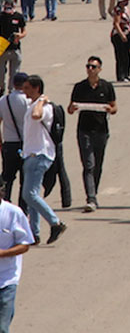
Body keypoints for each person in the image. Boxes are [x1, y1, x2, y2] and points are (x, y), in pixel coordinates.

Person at [67, 55, 117, 212]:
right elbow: (70, 109)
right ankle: (91, 198)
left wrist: (110, 109)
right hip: (84, 130)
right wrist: (73, 108)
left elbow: (114, 107)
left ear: (99, 69)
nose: (90, 69)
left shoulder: (106, 86)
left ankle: (93, 191)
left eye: (93, 67)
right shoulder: (80, 87)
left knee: (98, 165)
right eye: (88, 66)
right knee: (89, 165)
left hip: (101, 131)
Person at [20, 75, 66, 244]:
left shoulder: (44, 107)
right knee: (32, 196)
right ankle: (34, 233)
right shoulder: (32, 104)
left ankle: (55, 223)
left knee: (29, 194)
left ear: (36, 88)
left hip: (39, 155)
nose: (24, 91)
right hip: (30, 154)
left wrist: (41, 101)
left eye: (27, 88)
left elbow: (36, 115)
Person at [0, 176, 33, 329]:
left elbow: (25, 244)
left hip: (6, 279)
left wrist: (2, 253)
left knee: (2, 327)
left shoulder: (13, 213)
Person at [0, 75, 28, 205]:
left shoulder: (3, 100)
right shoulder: (28, 101)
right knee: (25, 179)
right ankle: (23, 208)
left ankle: (5, 203)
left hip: (9, 144)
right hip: (26, 144)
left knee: (7, 178)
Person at [109, 0, 130, 82]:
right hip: (118, 36)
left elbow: (129, 20)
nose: (127, 2)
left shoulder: (126, 9)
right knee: (120, 56)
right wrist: (122, 34)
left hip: (128, 34)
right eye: (125, 0)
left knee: (127, 55)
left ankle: (127, 74)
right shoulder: (118, 10)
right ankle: (120, 76)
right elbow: (116, 24)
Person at [0, 1, 25, 91]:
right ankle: (1, 88)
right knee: (1, 73)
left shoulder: (18, 16)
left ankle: (12, 90)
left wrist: (20, 36)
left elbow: (24, 31)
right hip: (2, 49)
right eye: (6, 7)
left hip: (15, 49)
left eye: (10, 7)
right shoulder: (1, 16)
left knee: (14, 72)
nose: (8, 10)